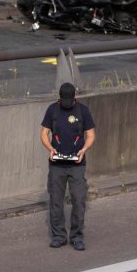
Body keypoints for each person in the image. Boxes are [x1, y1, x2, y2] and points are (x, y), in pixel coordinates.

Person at [40, 82, 96, 251]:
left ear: (74, 98)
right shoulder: (52, 110)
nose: (66, 104)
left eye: (68, 101)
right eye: (63, 101)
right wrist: (50, 149)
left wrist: (84, 150)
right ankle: (58, 236)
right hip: (57, 164)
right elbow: (43, 133)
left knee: (78, 200)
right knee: (56, 201)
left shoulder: (83, 111)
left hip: (77, 164)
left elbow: (91, 135)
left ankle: (77, 236)